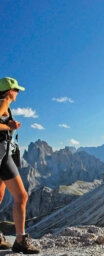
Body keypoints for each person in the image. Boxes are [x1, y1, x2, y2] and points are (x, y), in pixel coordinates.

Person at [0, 77, 39, 254]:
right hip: (2, 156)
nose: (18, 94)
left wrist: (7, 123)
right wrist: (9, 127)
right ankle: (20, 240)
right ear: (10, 91)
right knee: (21, 196)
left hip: (4, 154)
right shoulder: (2, 103)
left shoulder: (5, 106)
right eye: (16, 91)